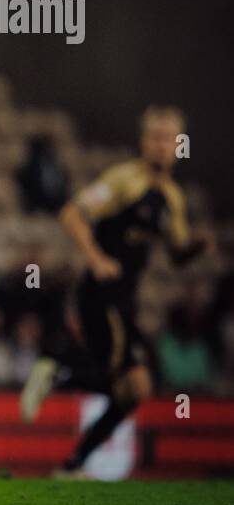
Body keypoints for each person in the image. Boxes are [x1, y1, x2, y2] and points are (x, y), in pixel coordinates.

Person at [20, 106, 212, 476]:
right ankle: (57, 370)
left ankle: (73, 461)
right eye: (154, 137)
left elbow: (176, 253)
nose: (161, 146)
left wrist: (195, 247)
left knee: (134, 390)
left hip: (126, 299)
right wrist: (95, 257)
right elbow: (72, 213)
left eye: (168, 138)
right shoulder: (125, 181)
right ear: (143, 142)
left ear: (179, 145)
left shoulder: (171, 198)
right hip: (102, 292)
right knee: (124, 380)